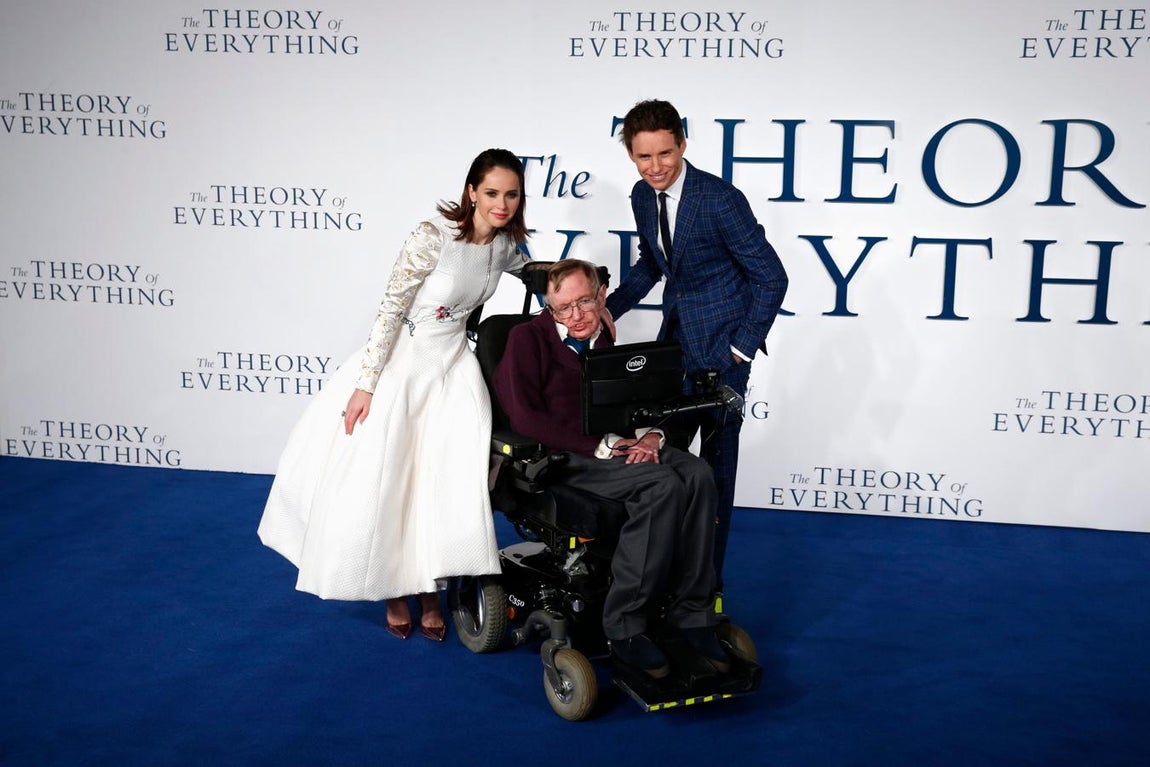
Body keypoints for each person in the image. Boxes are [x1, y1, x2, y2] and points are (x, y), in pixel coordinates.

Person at [258, 148, 531, 642]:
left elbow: (540, 275)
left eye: (511, 195)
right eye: (492, 192)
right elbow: (390, 308)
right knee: (391, 480)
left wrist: (588, 299)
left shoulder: (505, 247)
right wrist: (367, 385)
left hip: (454, 370)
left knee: (440, 481)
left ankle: (430, 587)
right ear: (471, 191)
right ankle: (395, 592)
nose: (502, 204)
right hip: (405, 366)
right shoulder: (432, 237)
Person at [493, 259, 730, 679]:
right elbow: (526, 419)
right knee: (661, 485)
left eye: (585, 302)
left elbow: (633, 406)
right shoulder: (526, 340)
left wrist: (652, 436)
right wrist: (605, 445)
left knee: (696, 474)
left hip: (615, 445)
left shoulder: (604, 341)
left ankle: (692, 613)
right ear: (549, 306)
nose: (576, 315)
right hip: (566, 457)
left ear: (601, 296)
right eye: (563, 308)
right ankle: (624, 625)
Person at [605, 99, 789, 586]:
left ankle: (708, 590)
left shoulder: (719, 199)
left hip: (725, 354)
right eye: (644, 157)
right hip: (676, 347)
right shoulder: (642, 196)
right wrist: (609, 309)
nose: (655, 167)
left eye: (665, 153)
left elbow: (771, 277)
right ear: (631, 156)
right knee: (665, 459)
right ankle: (665, 579)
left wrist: (741, 347)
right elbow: (652, 264)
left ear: (683, 144)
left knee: (717, 474)